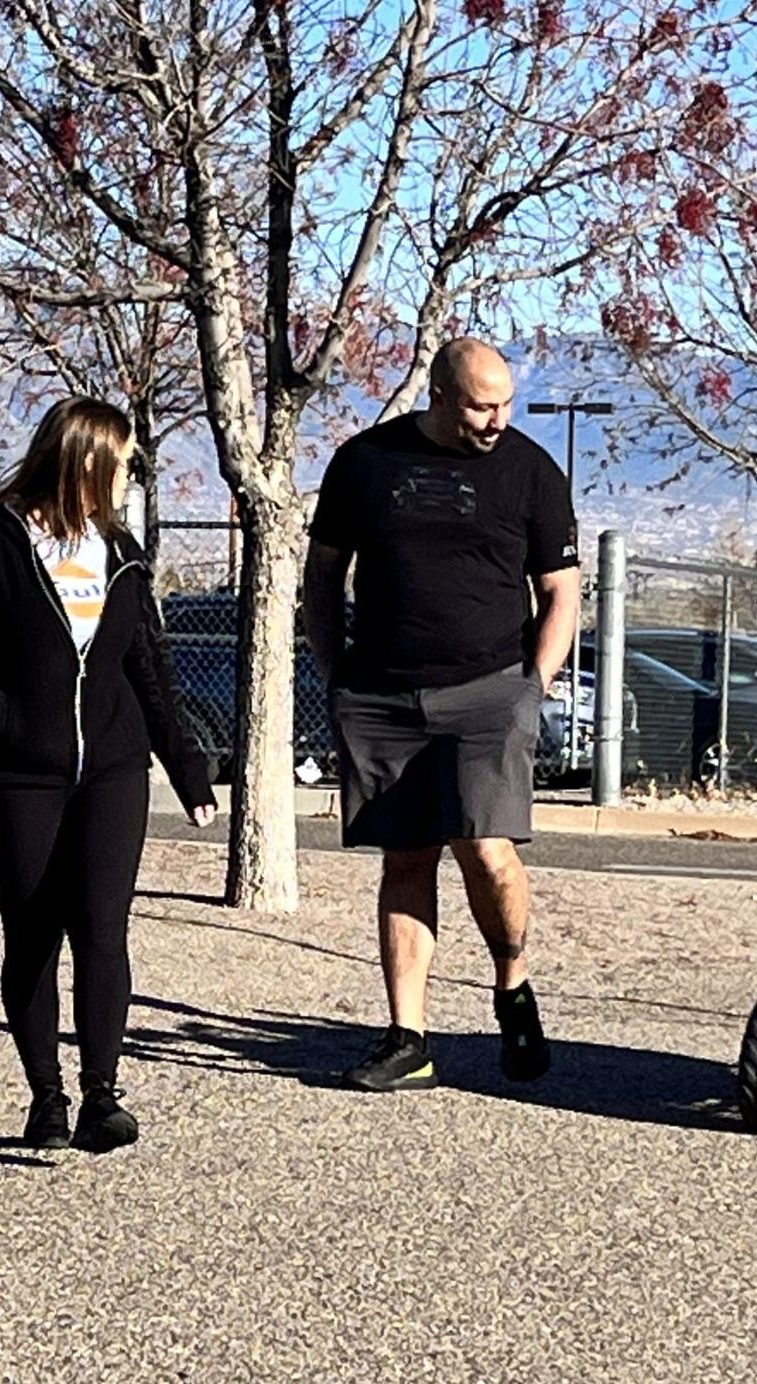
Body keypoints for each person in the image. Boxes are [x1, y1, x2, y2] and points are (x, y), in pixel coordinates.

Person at [0, 396, 219, 1152]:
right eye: (125, 463)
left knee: (102, 928)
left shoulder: (119, 551)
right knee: (32, 936)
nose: (131, 477)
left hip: (111, 772)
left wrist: (186, 770)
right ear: (86, 460)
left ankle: (101, 1096)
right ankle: (45, 1097)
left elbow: (147, 664)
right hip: (18, 778)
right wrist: (9, 720)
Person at [303, 338, 581, 1093]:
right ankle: (408, 1038)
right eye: (480, 405)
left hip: (490, 691)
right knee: (408, 857)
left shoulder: (529, 472)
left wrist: (536, 683)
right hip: (384, 696)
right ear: (438, 395)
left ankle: (512, 983)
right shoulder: (364, 464)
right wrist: (335, 673)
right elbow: (323, 575)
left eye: (505, 403)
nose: (497, 419)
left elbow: (560, 591)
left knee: (486, 849)